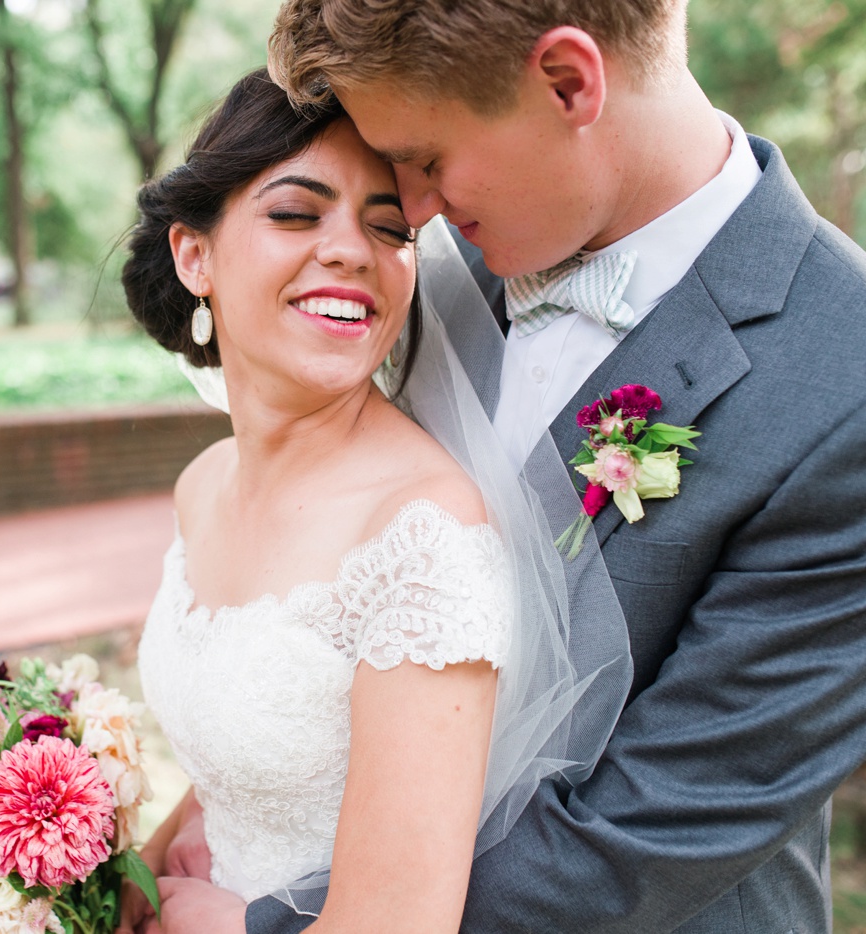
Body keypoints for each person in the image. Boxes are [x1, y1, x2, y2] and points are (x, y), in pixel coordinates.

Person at [143, 1, 866, 932]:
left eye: (428, 161)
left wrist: (263, 922)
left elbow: (642, 838)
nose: (419, 211)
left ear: (568, 83)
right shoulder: (429, 265)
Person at [116, 70, 632, 934]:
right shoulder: (202, 485)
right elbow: (241, 760)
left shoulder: (423, 534)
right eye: (295, 212)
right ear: (193, 255)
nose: (352, 250)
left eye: (388, 228)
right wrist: (136, 863)